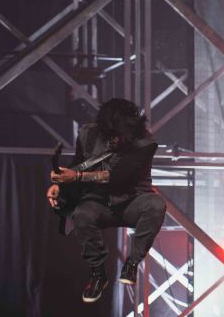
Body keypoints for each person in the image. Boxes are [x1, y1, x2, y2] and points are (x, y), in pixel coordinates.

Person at [47, 98, 166, 303]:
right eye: (113, 135)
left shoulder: (145, 142)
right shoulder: (88, 134)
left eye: (121, 135)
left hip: (133, 201)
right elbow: (79, 163)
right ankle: (97, 272)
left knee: (156, 205)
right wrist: (60, 186)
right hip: (99, 202)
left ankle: (132, 264)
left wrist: (76, 177)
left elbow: (119, 176)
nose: (117, 139)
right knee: (82, 214)